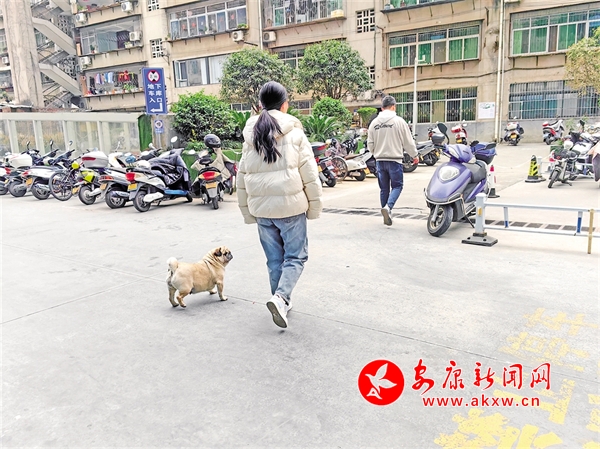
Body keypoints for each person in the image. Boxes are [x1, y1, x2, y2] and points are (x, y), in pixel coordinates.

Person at [237, 81, 323, 329]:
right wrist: (314, 208)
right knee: (296, 257)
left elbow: (241, 177)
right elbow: (310, 175)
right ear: (285, 105)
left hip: (262, 211)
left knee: (274, 260)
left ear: (260, 105)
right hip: (291, 208)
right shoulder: (295, 133)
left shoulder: (250, 136)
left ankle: (281, 301)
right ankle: (281, 298)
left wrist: (247, 212)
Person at [367, 95, 418, 226]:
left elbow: (370, 144)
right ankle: (388, 208)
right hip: (394, 160)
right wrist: (414, 155)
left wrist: (377, 153)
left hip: (380, 160)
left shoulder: (374, 123)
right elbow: (408, 142)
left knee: (384, 189)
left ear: (382, 108)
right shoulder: (399, 121)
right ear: (394, 107)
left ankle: (386, 212)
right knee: (397, 186)